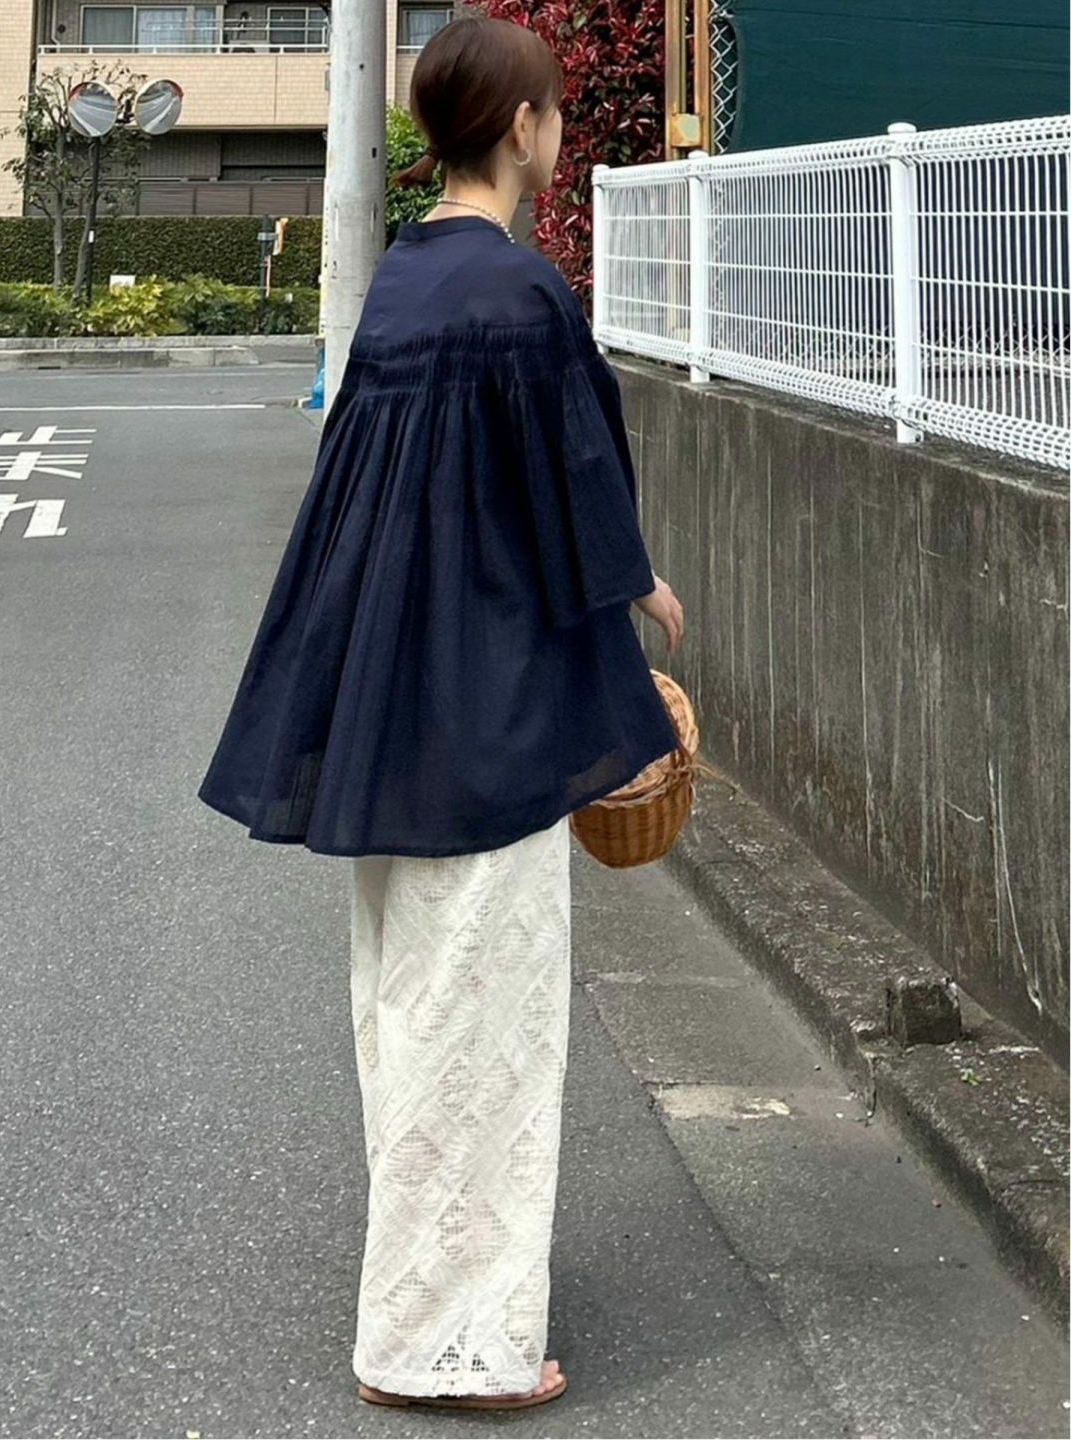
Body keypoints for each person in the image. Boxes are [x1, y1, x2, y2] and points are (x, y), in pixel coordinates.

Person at [197, 13, 685, 1414]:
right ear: (523, 129)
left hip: (393, 710)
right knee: (489, 1016)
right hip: (492, 712)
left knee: (412, 1009)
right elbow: (572, 494)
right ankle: (449, 1347)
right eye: (551, 112)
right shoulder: (520, 294)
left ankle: (427, 1304)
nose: (556, 131)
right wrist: (639, 597)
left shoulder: (406, 281)